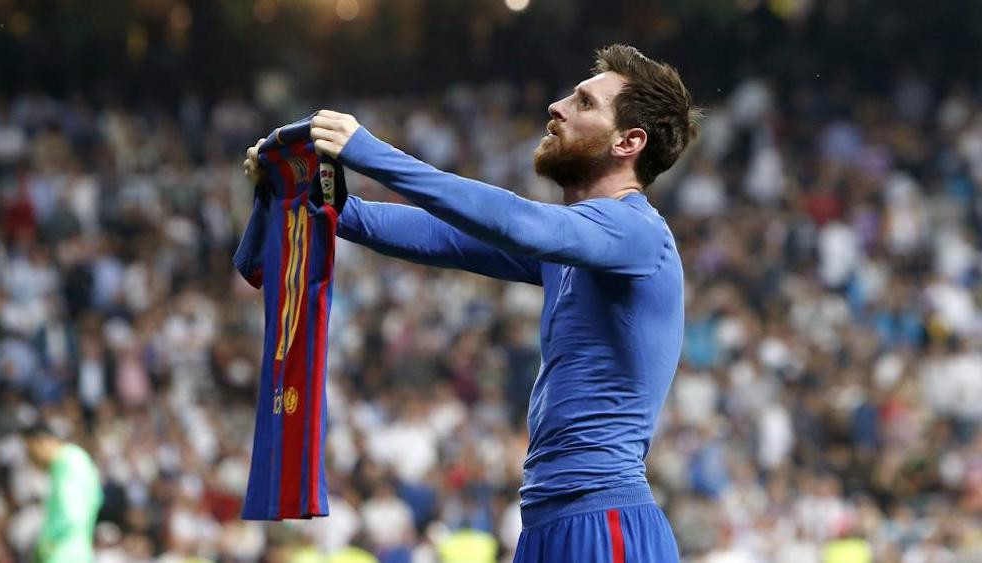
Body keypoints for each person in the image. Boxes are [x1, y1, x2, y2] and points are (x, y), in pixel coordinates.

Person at [245, 43, 699, 562]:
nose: (557, 108)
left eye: (584, 103)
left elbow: (517, 222)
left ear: (629, 141)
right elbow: (441, 236)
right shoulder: (573, 246)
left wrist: (370, 152)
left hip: (606, 522)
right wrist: (310, 197)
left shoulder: (637, 232)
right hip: (549, 521)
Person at [23, 420, 103, 563]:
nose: (31, 459)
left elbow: (70, 512)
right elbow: (97, 498)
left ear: (42, 442)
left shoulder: (66, 462)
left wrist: (47, 543)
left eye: (30, 450)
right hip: (81, 551)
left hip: (63, 553)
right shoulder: (77, 458)